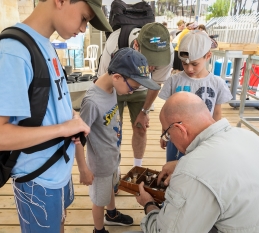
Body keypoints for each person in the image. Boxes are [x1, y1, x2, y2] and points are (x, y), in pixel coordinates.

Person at [0, 0, 112, 232]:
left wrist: (73, 129)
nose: (83, 29)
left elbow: (57, 104)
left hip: (58, 170)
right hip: (37, 181)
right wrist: (63, 129)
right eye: (84, 18)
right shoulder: (14, 53)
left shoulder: (44, 44)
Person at [135, 91, 259, 233]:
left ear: (180, 129)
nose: (169, 141)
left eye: (168, 135)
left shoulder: (193, 171)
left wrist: (149, 204)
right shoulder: (248, 136)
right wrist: (180, 165)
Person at [76, 47, 160, 233]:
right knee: (99, 200)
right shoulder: (92, 102)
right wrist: (83, 169)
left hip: (112, 155)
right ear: (117, 77)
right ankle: (99, 230)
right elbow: (77, 139)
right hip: (99, 164)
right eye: (133, 87)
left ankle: (112, 214)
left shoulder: (113, 88)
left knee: (111, 188)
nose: (132, 92)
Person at [97, 22, 174, 168]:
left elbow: (156, 82)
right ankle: (114, 169)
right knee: (112, 130)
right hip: (114, 88)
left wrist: (145, 111)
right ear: (136, 46)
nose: (151, 68)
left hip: (143, 89)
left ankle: (137, 167)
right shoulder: (114, 44)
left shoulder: (168, 51)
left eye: (156, 63)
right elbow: (103, 82)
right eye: (147, 60)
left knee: (140, 127)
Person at [159, 30, 232, 162]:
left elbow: (216, 112)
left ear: (208, 56)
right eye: (184, 64)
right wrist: (164, 133)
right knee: (172, 169)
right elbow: (166, 112)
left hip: (203, 139)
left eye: (194, 64)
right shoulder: (174, 81)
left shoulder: (217, 83)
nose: (189, 69)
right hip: (176, 139)